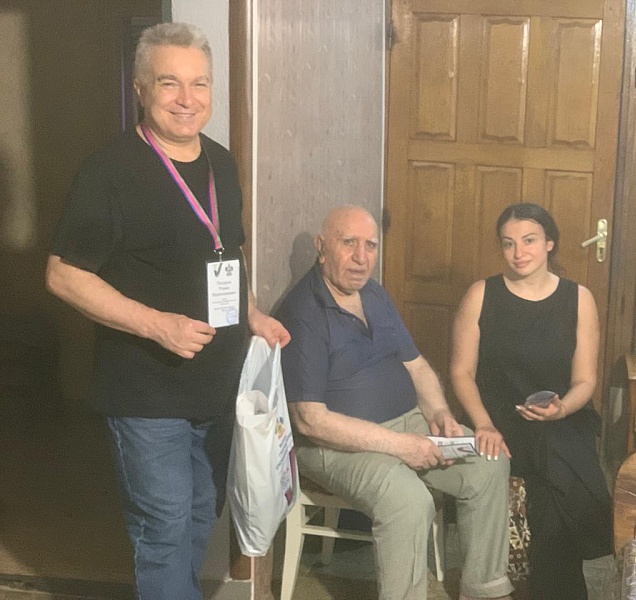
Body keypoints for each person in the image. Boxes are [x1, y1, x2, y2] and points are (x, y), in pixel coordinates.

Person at [45, 22, 290, 600]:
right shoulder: (109, 172)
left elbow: (227, 252)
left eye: (199, 83)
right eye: (169, 83)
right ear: (140, 88)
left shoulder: (221, 163)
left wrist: (252, 313)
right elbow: (63, 274)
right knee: (164, 526)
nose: (187, 99)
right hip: (146, 391)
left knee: (202, 513)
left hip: (217, 386)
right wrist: (157, 325)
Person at [275, 205, 514, 600]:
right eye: (348, 243)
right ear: (322, 247)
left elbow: (416, 365)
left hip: (408, 424)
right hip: (335, 446)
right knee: (408, 501)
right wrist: (401, 446)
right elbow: (310, 421)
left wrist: (440, 413)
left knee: (489, 460)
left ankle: (484, 590)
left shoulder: (374, 293)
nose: (361, 257)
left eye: (370, 245)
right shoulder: (304, 312)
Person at [450, 202, 613, 600]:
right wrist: (483, 423)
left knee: (556, 458)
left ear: (549, 243)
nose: (518, 252)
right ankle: (563, 589)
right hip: (498, 418)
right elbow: (460, 372)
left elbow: (585, 380)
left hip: (562, 414)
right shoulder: (481, 294)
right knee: (553, 467)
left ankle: (549, 588)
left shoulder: (579, 298)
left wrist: (562, 408)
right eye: (508, 244)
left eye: (529, 241)